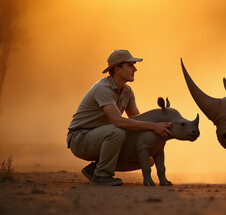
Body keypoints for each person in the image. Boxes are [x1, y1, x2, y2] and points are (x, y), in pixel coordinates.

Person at [67, 49, 173, 186]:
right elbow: (118, 121)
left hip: (102, 137)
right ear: (117, 69)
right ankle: (102, 175)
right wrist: (154, 126)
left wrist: (161, 122)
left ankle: (95, 169)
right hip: (80, 138)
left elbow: (137, 120)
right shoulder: (102, 88)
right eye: (130, 65)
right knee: (117, 132)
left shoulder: (127, 91)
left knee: (149, 159)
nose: (135, 69)